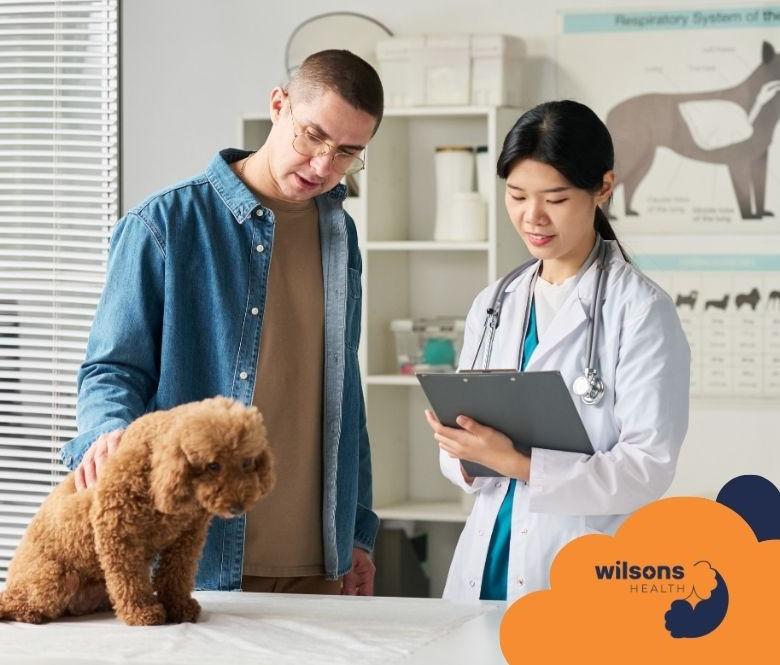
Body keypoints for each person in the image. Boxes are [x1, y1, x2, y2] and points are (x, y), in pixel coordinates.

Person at [59, 49, 383, 596]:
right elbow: (113, 369)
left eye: (348, 152)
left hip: (319, 558)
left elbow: (344, 392)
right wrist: (106, 435)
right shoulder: (164, 223)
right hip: (198, 555)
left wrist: (357, 531)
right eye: (313, 136)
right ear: (278, 106)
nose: (324, 166)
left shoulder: (340, 234)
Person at [426, 100, 690, 602]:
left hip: (579, 565)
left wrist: (518, 464)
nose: (532, 217)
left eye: (555, 198)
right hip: (487, 558)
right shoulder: (494, 303)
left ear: (603, 188)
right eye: (517, 195)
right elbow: (461, 457)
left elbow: (648, 467)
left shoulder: (640, 310)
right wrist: (462, 450)